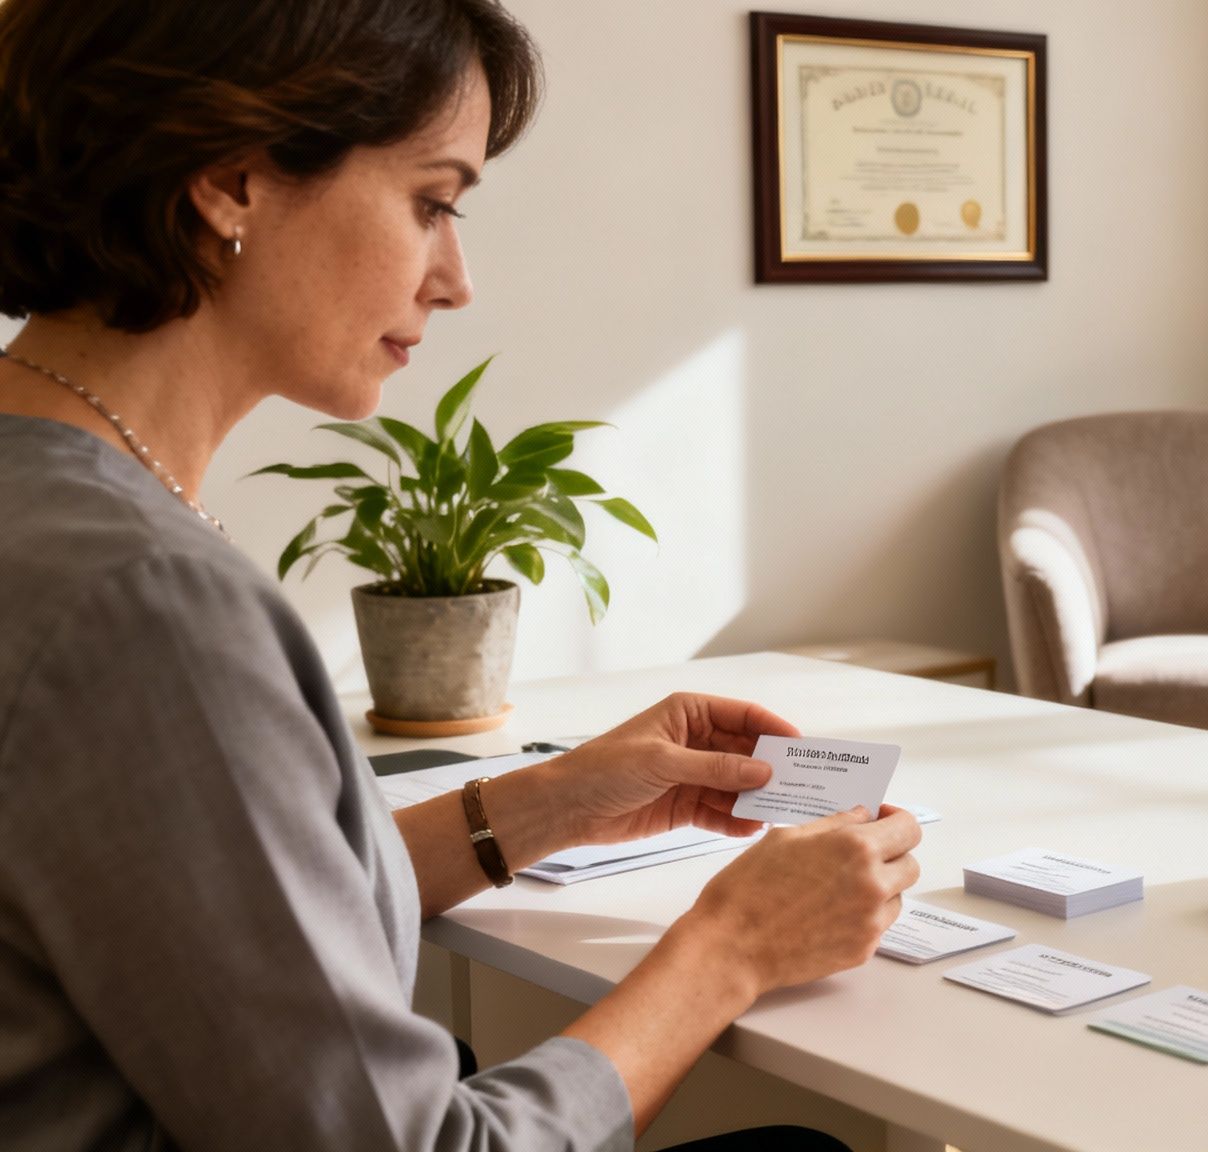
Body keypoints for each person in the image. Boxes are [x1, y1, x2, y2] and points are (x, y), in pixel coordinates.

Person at [0, 2, 922, 1149]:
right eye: (431, 203)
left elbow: (215, 912)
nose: (456, 278)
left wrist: (552, 803)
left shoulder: (54, 510)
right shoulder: (141, 603)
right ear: (229, 182)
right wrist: (730, 949)